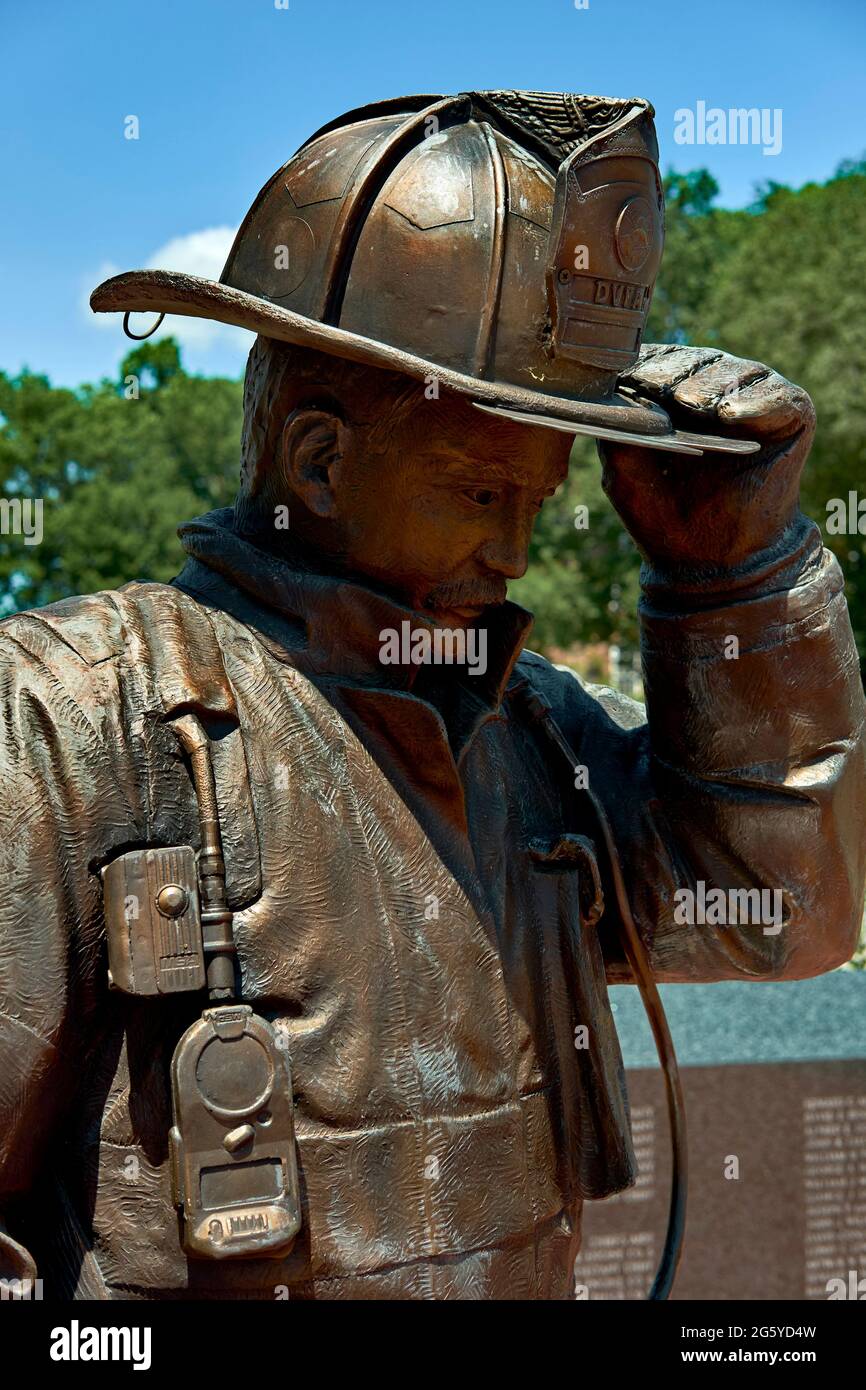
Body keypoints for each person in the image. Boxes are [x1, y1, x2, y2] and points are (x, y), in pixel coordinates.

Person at [0, 90, 863, 1300]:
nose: (513, 552)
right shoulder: (68, 717)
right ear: (320, 462)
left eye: (536, 497)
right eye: (475, 492)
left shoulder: (525, 728)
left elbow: (783, 922)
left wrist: (738, 580)